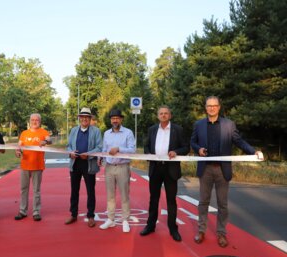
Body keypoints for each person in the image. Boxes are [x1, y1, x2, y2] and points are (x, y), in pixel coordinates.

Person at [191, 96, 261, 248]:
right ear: (205, 107)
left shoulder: (229, 124)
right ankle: (201, 230)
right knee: (203, 202)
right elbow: (193, 142)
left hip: (223, 169)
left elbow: (239, 141)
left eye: (214, 105)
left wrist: (253, 151)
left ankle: (221, 233)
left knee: (223, 204)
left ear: (219, 107)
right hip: (206, 169)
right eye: (209, 106)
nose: (211, 108)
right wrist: (199, 149)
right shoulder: (199, 124)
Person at [140, 106, 189, 241]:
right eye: (161, 113)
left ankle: (173, 229)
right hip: (155, 168)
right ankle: (150, 226)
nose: (163, 115)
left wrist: (176, 152)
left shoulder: (178, 130)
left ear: (170, 115)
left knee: (171, 200)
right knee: (153, 199)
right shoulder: (152, 130)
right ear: (157, 116)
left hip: (170, 169)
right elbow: (146, 146)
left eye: (166, 113)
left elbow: (186, 147)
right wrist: (148, 154)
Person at [99, 109, 136, 233]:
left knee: (124, 194)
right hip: (109, 167)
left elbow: (132, 150)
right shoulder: (106, 133)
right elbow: (104, 148)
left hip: (123, 167)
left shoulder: (128, 133)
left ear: (121, 119)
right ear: (110, 120)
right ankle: (110, 219)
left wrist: (119, 148)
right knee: (110, 195)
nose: (115, 120)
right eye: (112, 118)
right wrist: (101, 158)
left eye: (117, 118)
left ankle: (125, 220)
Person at [65, 108, 102, 227]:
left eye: (87, 117)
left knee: (90, 191)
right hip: (75, 163)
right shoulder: (74, 130)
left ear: (90, 119)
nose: (84, 119)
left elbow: (99, 147)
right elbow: (68, 146)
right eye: (82, 117)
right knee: (74, 190)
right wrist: (70, 152)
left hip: (89, 164)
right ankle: (73, 214)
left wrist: (89, 154)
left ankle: (91, 215)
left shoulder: (96, 131)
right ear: (79, 118)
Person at [14, 113, 51, 222]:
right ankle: (22, 211)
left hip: (38, 165)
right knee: (23, 189)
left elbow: (50, 140)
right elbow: (19, 146)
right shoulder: (24, 133)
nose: (34, 122)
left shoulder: (44, 132)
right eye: (33, 120)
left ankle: (36, 212)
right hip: (25, 165)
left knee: (36, 190)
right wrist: (18, 152)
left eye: (37, 120)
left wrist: (45, 141)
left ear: (40, 121)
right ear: (29, 121)